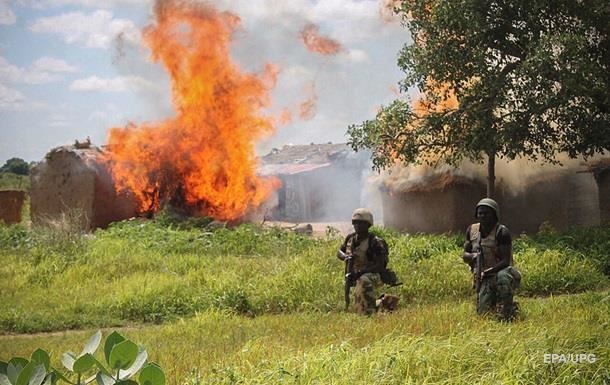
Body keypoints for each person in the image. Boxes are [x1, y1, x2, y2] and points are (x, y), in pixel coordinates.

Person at [462, 198, 521, 321]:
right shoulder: (472, 230)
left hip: (503, 272)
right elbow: (465, 255)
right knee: (483, 313)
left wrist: (488, 271)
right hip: (483, 276)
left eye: (486, 213)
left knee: (502, 278)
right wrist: (473, 257)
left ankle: (508, 311)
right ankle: (495, 304)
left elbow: (505, 261)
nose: (482, 216)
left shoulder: (502, 232)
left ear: (494, 215)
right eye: (480, 213)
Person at [337, 208, 389, 315]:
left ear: (368, 225)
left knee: (363, 280)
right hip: (354, 274)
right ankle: (376, 304)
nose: (357, 226)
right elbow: (339, 251)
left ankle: (371, 310)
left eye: (361, 224)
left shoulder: (376, 242)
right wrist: (345, 256)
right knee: (357, 304)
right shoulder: (350, 239)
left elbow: (379, 265)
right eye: (355, 223)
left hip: (375, 275)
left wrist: (360, 272)